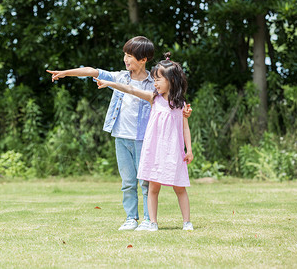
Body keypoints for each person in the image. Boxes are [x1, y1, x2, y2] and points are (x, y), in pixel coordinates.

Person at [46, 37, 191, 231]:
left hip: (144, 139)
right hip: (121, 136)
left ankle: (149, 220)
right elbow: (91, 71)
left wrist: (184, 113)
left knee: (145, 182)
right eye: (125, 54)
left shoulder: (154, 82)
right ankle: (131, 218)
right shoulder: (120, 77)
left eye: (130, 56)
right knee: (128, 182)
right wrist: (65, 73)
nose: (125, 59)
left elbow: (171, 104)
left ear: (143, 59)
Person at [95, 52, 194, 232]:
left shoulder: (180, 104)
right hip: (154, 151)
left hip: (174, 151)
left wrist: (189, 150)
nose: (154, 83)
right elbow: (131, 90)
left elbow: (185, 127)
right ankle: (152, 222)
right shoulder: (153, 98)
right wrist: (110, 83)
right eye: (154, 79)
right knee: (153, 187)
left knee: (179, 187)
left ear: (172, 80)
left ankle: (187, 222)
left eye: (158, 79)